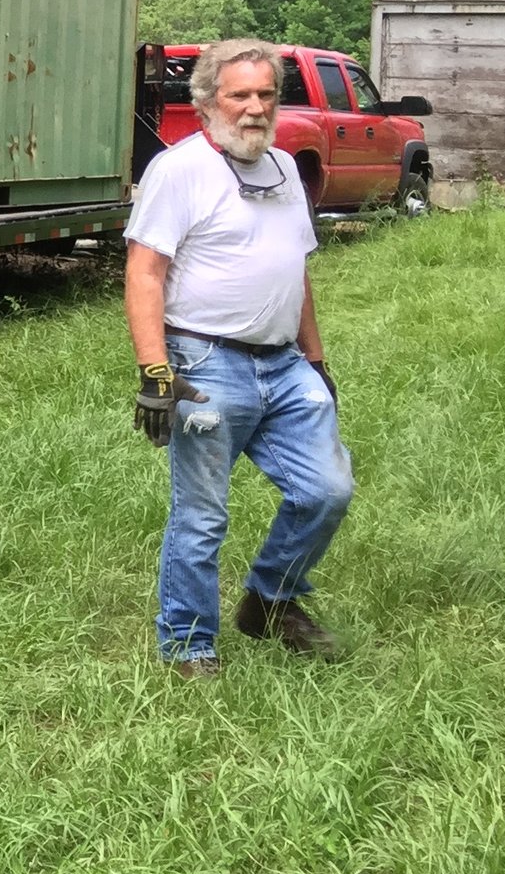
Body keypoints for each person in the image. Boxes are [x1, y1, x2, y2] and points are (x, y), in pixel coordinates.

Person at [125, 37, 353, 679]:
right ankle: (190, 644)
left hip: (285, 366)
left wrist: (317, 358)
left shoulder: (282, 169)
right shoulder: (180, 171)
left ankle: (270, 603)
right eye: (240, 95)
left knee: (327, 490)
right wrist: (155, 371)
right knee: (202, 515)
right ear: (206, 102)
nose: (255, 108)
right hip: (203, 364)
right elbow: (145, 272)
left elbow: (296, 272)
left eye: (266, 94)